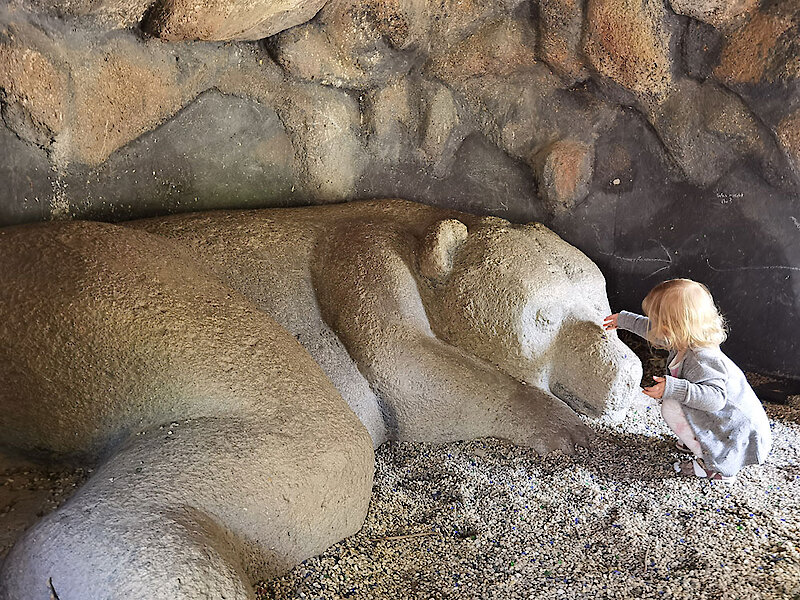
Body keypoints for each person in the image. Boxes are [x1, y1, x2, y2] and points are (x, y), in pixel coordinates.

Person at [603, 278, 771, 482]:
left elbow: (715, 399)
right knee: (675, 401)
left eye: (658, 321)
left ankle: (714, 467)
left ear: (671, 327)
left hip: (736, 439)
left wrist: (673, 387)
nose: (654, 326)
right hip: (727, 425)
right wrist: (623, 320)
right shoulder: (685, 338)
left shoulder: (702, 359)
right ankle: (697, 439)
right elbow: (653, 332)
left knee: (671, 406)